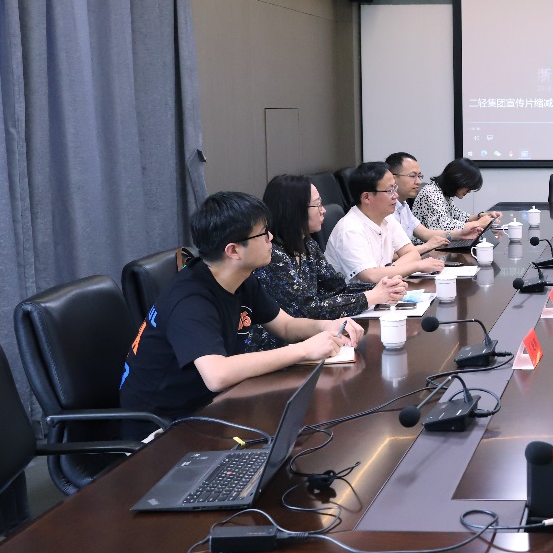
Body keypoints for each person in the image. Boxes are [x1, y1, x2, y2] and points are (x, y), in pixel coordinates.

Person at [119, 191, 363, 422]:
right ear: (233, 250)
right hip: (161, 425)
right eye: (263, 233)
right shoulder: (190, 301)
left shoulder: (241, 278)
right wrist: (304, 350)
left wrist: (326, 326)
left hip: (212, 405)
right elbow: (217, 375)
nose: (270, 238)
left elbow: (285, 326)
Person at [255, 174, 406, 319]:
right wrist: (371, 296)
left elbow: (336, 289)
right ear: (295, 210)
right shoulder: (272, 256)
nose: (323, 210)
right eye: (317, 204)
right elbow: (308, 311)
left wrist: (384, 287)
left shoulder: (307, 245)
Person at [324, 162, 445, 283]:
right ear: (366, 197)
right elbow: (370, 277)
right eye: (389, 191)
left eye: (395, 188)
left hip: (384, 290)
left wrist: (389, 270)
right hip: (358, 293)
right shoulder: (350, 229)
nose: (396, 195)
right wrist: (417, 266)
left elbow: (412, 253)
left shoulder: (387, 218)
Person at [386, 152, 484, 250]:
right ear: (393, 178)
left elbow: (425, 233)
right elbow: (391, 254)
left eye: (419, 176)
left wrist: (460, 234)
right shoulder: (386, 209)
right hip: (417, 251)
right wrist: (478, 224)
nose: (418, 182)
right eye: (412, 176)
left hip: (417, 252)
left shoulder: (403, 206)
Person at [412, 157, 502, 233]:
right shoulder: (431, 193)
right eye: (469, 187)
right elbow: (441, 228)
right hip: (425, 246)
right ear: (458, 180)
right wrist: (478, 223)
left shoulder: (442, 192)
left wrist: (481, 216)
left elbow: (457, 215)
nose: (469, 191)